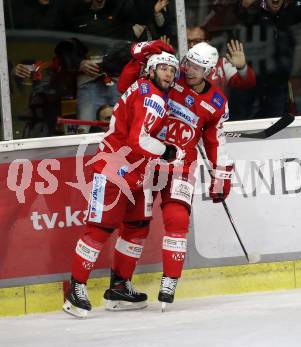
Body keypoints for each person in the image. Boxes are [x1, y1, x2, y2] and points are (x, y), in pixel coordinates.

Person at [112, 41, 234, 311]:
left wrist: (221, 176)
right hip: (147, 161)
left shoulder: (216, 103)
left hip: (181, 166)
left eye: (198, 67)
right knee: (136, 225)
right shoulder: (168, 74)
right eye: (188, 63)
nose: (189, 70)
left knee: (177, 219)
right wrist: (145, 50)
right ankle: (119, 287)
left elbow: (216, 142)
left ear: (210, 71)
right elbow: (126, 85)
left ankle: (169, 282)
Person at [63, 50, 180, 318]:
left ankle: (119, 288)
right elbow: (139, 140)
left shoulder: (143, 87)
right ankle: (76, 289)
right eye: (163, 68)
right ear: (151, 71)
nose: (169, 74)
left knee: (137, 227)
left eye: (172, 71)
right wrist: (166, 150)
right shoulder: (153, 98)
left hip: (138, 172)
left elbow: (126, 80)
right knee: (99, 229)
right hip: (115, 169)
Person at [186, 25, 256, 94]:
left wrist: (242, 68)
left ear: (207, 42)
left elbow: (247, 84)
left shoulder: (222, 64)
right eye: (188, 41)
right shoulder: (179, 62)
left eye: (197, 41)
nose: (192, 45)